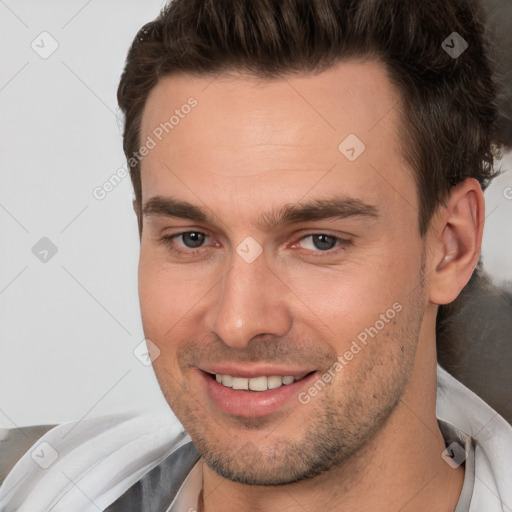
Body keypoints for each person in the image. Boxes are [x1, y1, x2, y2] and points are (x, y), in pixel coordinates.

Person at [1, 0, 511, 510]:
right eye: (192, 238)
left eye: (319, 241)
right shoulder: (29, 485)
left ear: (450, 246)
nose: (238, 322)